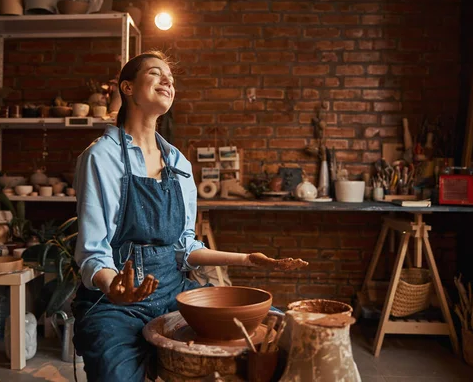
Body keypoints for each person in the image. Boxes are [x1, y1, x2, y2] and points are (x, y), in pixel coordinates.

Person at [72, 51, 307, 382]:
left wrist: (249, 259)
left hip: (173, 293)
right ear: (127, 87)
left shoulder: (178, 163)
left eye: (171, 78)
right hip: (116, 306)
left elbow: (184, 246)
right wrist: (114, 289)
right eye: (156, 74)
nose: (168, 81)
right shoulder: (102, 157)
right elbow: (93, 254)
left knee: (279, 332)